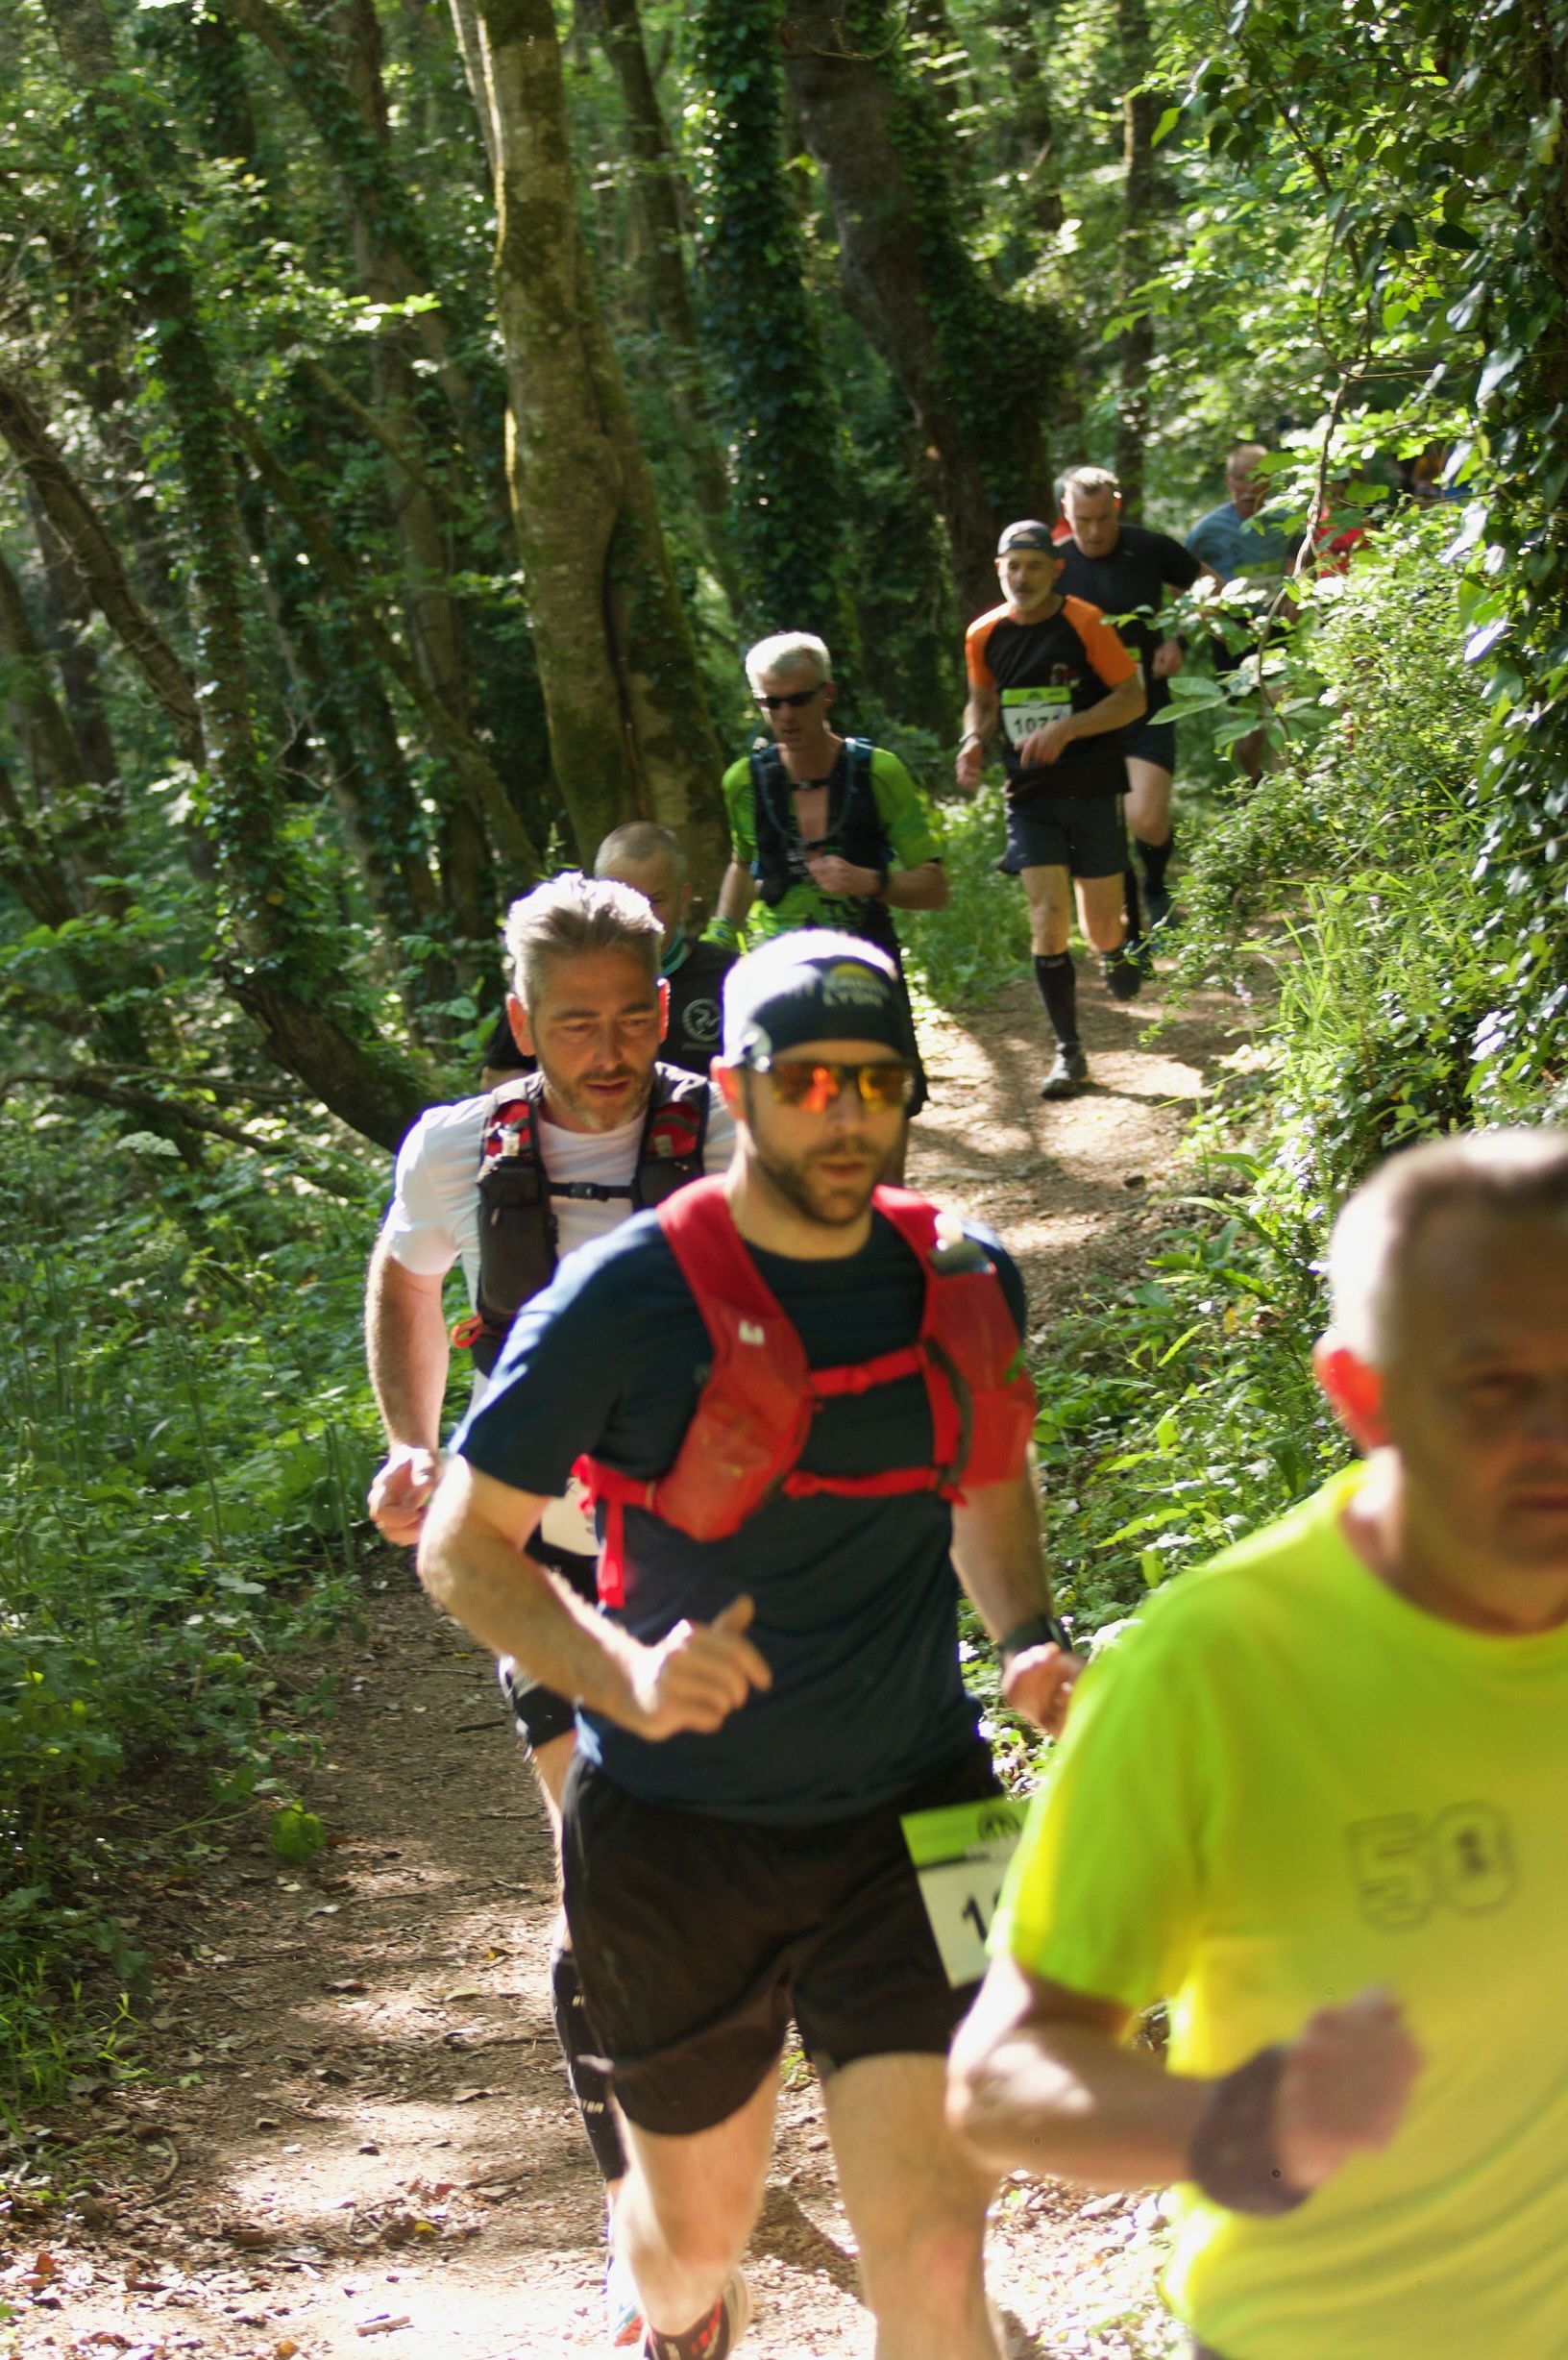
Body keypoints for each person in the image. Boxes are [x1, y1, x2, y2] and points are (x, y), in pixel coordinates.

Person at [417, 929, 1080, 2360]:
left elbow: (986, 1470)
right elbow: (461, 1547)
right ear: (735, 1088)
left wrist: (1028, 1635)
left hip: (929, 1806)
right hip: (672, 1833)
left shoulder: (967, 1273)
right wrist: (621, 1674)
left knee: (939, 2252)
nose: (846, 1115)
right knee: (691, 2244)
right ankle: (677, 2306)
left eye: (876, 1082)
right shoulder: (624, 1300)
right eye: (807, 1083)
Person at [948, 1126, 1568, 2360]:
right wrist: (1245, 2123)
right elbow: (1002, 2077)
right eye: (1495, 1384)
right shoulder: (1213, 1670)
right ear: (1361, 1396)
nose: (1558, 1430)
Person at [364, 872, 735, 2349]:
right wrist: (413, 1444)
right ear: (522, 1022)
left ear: (666, 1006)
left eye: (632, 1016)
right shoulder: (458, 1148)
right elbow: (405, 1283)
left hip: (718, 1559)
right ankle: (652, 2227)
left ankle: (719, 2127)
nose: (607, 1048)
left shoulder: (728, 1130)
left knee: (720, 1872)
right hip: (545, 1563)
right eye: (574, 1022)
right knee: (601, 1869)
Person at [712, 630, 946, 1152]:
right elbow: (744, 862)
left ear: (828, 694)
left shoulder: (878, 772)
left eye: (798, 699)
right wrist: (721, 932)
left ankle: (887, 1205)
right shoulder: (743, 782)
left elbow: (934, 888)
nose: (785, 715)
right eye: (770, 703)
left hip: (865, 965)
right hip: (781, 970)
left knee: (885, 1108)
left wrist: (870, 881)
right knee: (790, 1113)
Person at [956, 520, 1148, 1102]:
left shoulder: (1086, 623)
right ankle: (1069, 1051)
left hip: (1091, 788)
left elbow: (1132, 699)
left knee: (1100, 926)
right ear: (999, 569)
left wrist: (1068, 728)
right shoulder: (983, 634)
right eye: (1013, 567)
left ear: (1055, 570)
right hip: (1030, 795)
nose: (1022, 577)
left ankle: (1117, 945)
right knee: (1047, 917)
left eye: (1034, 566)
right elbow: (982, 701)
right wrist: (973, 739)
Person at [1055, 465, 1209, 938]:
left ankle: (1156, 887)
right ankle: (1123, 928)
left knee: (1145, 817)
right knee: (1099, 829)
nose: (1094, 531)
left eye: (1103, 518)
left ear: (1116, 507)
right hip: (1083, 717)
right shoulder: (1053, 564)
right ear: (1065, 512)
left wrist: (1180, 639)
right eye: (1083, 520)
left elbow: (1210, 586)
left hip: (1146, 706)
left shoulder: (1148, 548)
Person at [479, 823, 736, 1087]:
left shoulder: (731, 979)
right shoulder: (555, 975)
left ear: (683, 899)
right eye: (621, 900)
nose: (642, 916)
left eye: (655, 900)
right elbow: (498, 1077)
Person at [1185, 446, 1301, 783]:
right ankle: (1250, 788)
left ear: (1271, 480)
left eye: (1258, 478)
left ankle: (1288, 791)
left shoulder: (1287, 517)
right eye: (1242, 479)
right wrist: (1204, 613)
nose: (1250, 487)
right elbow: (1180, 575)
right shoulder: (1208, 530)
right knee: (1248, 726)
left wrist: (1298, 592)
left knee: (1282, 710)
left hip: (1279, 625)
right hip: (1232, 633)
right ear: (1229, 482)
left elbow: (1303, 559)